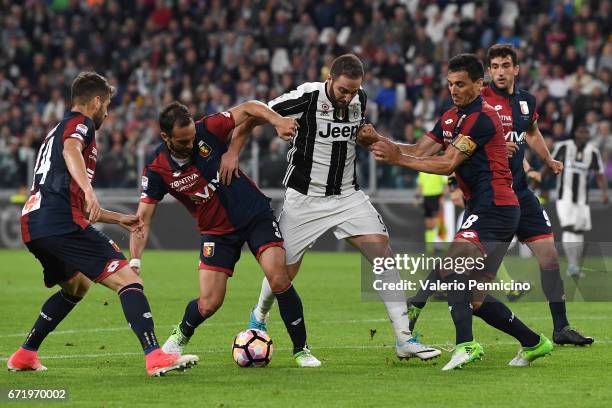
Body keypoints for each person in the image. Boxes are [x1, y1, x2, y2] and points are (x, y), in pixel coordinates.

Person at [219, 54, 441, 361]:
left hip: (347, 196)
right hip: (304, 200)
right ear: (330, 80)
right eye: (343, 91)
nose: (348, 97)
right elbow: (254, 115)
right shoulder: (306, 97)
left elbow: (358, 136)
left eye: (354, 91)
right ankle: (259, 316)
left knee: (383, 255)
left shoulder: (359, 100)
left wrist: (369, 137)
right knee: (282, 272)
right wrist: (233, 153)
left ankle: (404, 339)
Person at [369, 54, 552, 370]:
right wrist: (379, 142)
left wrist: (396, 159)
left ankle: (462, 342)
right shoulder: (451, 117)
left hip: (496, 206)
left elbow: (446, 164)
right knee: (476, 300)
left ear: (479, 84)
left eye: (461, 84)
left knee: (454, 269)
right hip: (487, 208)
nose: (453, 90)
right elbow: (419, 150)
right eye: (450, 84)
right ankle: (535, 343)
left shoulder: (482, 118)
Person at [8, 72, 198, 377]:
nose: (107, 112)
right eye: (106, 104)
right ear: (95, 101)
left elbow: (74, 196)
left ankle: (25, 354)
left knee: (76, 286)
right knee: (129, 280)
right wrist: (88, 189)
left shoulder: (55, 130)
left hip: (35, 222)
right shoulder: (79, 125)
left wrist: (117, 217)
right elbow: (72, 153)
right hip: (60, 222)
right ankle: (155, 356)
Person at [408, 44, 593, 345]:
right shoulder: (479, 103)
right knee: (457, 267)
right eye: (495, 66)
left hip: (520, 193)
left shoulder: (525, 102)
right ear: (488, 73)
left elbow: (531, 132)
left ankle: (561, 328)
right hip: (490, 196)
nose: (501, 71)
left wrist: (546, 159)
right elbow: (456, 146)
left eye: (506, 65)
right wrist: (456, 186)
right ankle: (417, 309)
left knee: (549, 257)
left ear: (517, 69)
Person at [129, 101, 321, 367]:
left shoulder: (207, 128)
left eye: (192, 138)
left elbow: (251, 107)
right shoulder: (156, 168)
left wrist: (275, 122)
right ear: (165, 137)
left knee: (279, 278)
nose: (190, 145)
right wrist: (135, 261)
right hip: (216, 232)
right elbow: (143, 219)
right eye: (183, 142)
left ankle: (301, 349)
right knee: (209, 303)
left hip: (254, 216)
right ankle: (180, 335)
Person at [550, 125, 609, 278]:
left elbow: (599, 174)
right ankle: (572, 265)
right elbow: (549, 163)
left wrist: (604, 192)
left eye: (586, 132)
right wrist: (538, 179)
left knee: (578, 231)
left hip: (582, 200)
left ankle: (574, 266)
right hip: (565, 197)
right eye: (581, 131)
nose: (584, 134)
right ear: (575, 133)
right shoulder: (563, 147)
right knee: (569, 228)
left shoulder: (593, 152)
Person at [415, 172, 447, 253]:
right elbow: (420, 184)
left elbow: (446, 184)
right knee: (429, 223)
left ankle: (444, 245)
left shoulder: (438, 167)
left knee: (439, 222)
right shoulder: (422, 171)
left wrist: (443, 196)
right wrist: (417, 197)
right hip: (426, 198)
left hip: (437, 196)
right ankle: (430, 248)